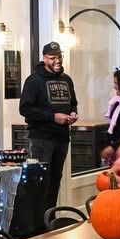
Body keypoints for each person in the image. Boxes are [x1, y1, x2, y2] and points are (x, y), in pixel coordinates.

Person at [19, 41, 77, 211]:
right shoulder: (33, 81)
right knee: (40, 182)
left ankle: (50, 218)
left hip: (62, 137)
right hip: (41, 139)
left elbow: (73, 103)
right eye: (52, 58)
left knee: (55, 180)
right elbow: (25, 109)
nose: (57, 61)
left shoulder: (67, 80)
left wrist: (73, 113)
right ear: (44, 59)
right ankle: (39, 224)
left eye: (59, 56)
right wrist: (53, 117)